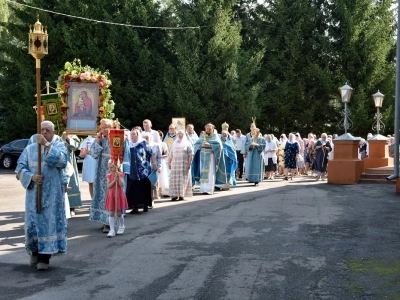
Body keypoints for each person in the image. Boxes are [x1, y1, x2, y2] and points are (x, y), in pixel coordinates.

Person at [16, 121, 68, 270]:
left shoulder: (58, 146)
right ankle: (35, 252)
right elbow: (20, 168)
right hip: (34, 195)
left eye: (48, 130)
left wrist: (46, 145)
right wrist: (31, 177)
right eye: (42, 130)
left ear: (52, 133)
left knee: (48, 224)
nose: (44, 132)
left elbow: (62, 162)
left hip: (52, 196)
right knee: (33, 224)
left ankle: (45, 258)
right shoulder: (30, 149)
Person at [89, 118, 113, 233]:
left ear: (111, 127)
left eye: (105, 127)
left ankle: (109, 222)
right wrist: (97, 141)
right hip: (100, 172)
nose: (103, 130)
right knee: (101, 196)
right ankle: (104, 220)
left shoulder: (116, 138)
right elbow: (93, 154)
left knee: (110, 196)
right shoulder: (99, 139)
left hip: (112, 172)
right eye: (101, 127)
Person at [126, 128, 157, 213]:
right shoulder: (128, 144)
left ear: (138, 135)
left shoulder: (143, 143)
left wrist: (154, 164)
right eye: (131, 134)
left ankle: (145, 205)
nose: (132, 136)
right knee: (133, 189)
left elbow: (152, 153)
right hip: (132, 171)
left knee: (143, 189)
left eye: (134, 134)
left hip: (143, 170)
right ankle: (135, 207)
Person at [191, 123, 225, 194]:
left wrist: (210, 145)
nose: (208, 130)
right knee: (202, 172)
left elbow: (219, 146)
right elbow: (196, 145)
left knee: (210, 173)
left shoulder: (215, 136)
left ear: (212, 129)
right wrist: (201, 145)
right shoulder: (202, 136)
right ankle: (203, 189)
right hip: (202, 156)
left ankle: (209, 189)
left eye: (210, 129)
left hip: (211, 156)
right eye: (207, 129)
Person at [105, 161, 128, 237]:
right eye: (110, 167)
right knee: (111, 213)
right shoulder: (109, 175)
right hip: (111, 195)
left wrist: (118, 178)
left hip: (118, 195)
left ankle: (122, 226)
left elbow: (121, 184)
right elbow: (108, 186)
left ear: (116, 167)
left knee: (119, 213)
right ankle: (112, 230)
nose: (110, 169)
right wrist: (114, 180)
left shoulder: (120, 174)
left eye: (112, 167)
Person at [168, 129, 193, 201]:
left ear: (184, 135)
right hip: (175, 165)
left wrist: (189, 164)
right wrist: (169, 163)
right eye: (179, 134)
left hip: (183, 164)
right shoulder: (174, 143)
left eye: (181, 134)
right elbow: (170, 154)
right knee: (174, 180)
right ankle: (174, 195)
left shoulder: (187, 143)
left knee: (183, 180)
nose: (180, 135)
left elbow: (190, 155)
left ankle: (182, 195)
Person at [61, 132, 82, 216]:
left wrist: (68, 139)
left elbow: (75, 147)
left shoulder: (72, 135)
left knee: (72, 184)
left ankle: (72, 207)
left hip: (68, 162)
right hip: (57, 162)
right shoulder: (55, 135)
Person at [142, 132, 162, 206]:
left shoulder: (156, 145)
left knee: (153, 184)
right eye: (144, 138)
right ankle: (146, 200)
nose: (145, 139)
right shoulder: (141, 146)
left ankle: (152, 199)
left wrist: (159, 167)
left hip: (153, 167)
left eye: (147, 138)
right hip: (144, 168)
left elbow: (159, 157)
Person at [157, 130, 169, 197]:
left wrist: (160, 156)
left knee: (161, 177)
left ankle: (161, 191)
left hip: (161, 161)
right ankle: (156, 192)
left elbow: (166, 154)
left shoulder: (163, 144)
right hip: (155, 161)